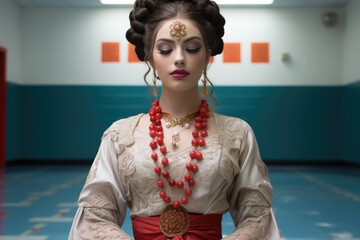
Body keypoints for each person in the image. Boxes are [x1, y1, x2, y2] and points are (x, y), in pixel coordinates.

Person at [69, 0, 280, 239]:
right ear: (150, 57)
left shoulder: (237, 133)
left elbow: (257, 215)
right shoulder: (121, 135)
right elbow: (95, 215)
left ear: (207, 55)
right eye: (166, 49)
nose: (179, 58)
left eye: (191, 48)